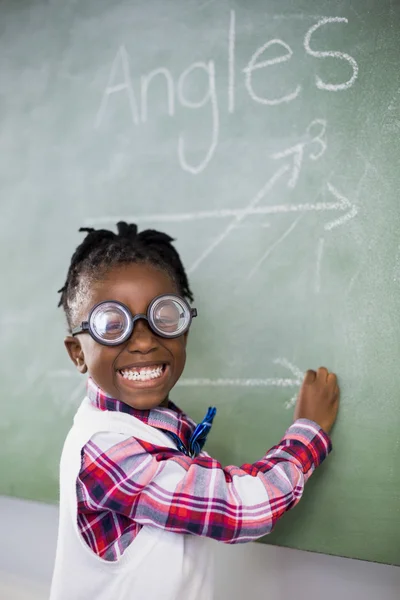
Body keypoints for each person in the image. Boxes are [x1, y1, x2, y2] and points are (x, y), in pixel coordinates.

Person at [50, 222, 339, 600]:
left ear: (184, 330)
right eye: (111, 325)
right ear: (78, 353)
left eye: (164, 316)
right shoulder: (106, 449)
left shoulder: (162, 426)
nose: (142, 340)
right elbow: (242, 509)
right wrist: (307, 433)